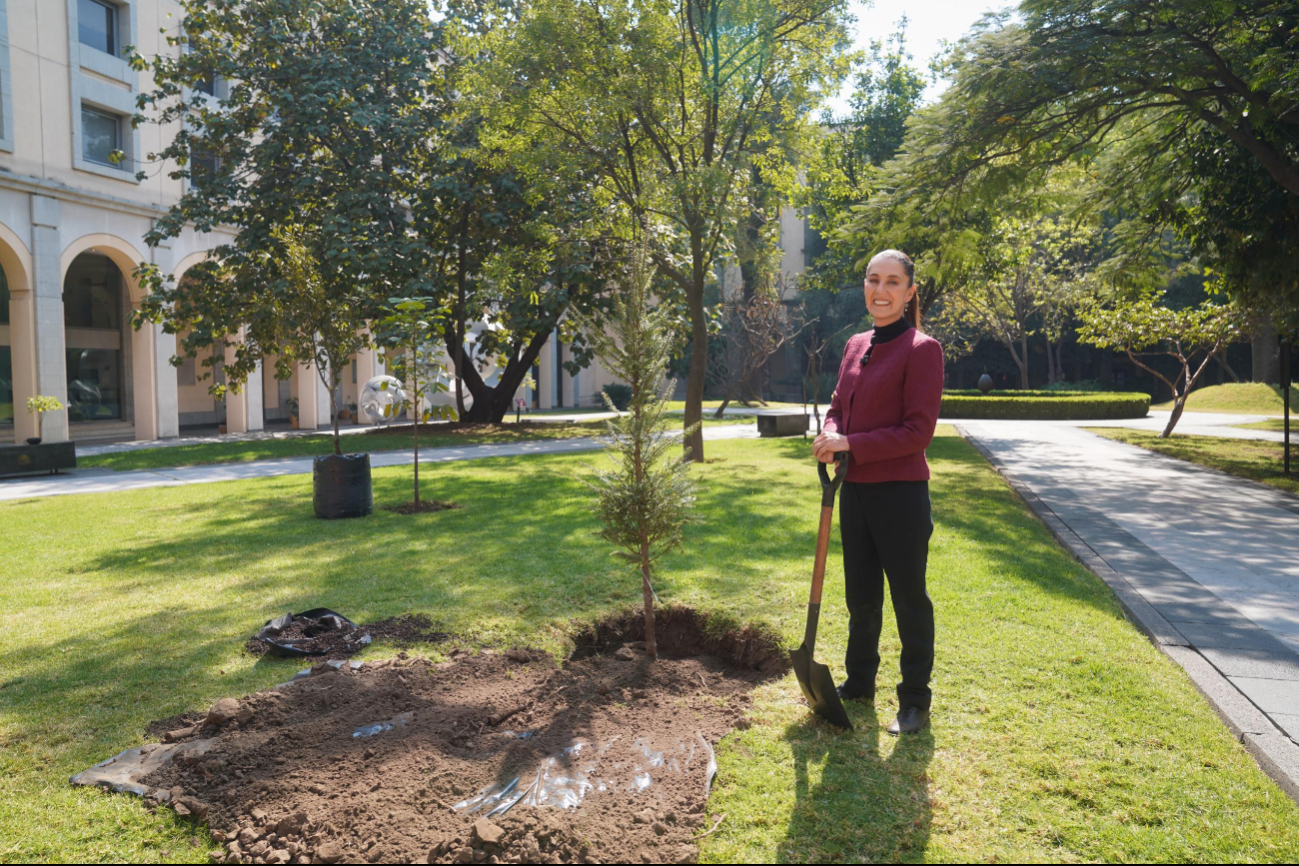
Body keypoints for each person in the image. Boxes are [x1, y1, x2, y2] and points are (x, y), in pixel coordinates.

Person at [811, 249, 944, 735]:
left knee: (909, 599)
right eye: (873, 280)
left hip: (902, 495)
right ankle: (859, 682)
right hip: (855, 492)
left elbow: (917, 432)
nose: (880, 290)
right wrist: (830, 433)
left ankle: (914, 701)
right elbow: (837, 406)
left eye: (892, 282)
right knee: (861, 596)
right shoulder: (855, 344)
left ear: (910, 292)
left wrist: (851, 443)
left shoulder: (922, 349)